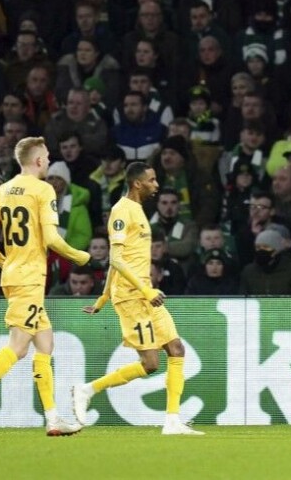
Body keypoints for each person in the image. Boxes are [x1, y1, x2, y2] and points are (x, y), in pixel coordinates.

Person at [0, 136, 91, 438]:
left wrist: (5, 260)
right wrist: (81, 255)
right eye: (48, 157)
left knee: (45, 343)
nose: (50, 161)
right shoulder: (43, 190)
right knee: (17, 346)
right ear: (38, 160)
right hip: (29, 278)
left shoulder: (3, 190)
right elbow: (52, 240)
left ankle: (53, 418)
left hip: (16, 274)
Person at [72, 162, 203, 436]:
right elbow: (116, 259)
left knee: (176, 349)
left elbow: (119, 262)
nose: (157, 184)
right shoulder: (121, 212)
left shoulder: (139, 210)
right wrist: (141, 292)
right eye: (152, 180)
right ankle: (87, 390)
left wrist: (101, 298)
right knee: (151, 364)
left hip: (145, 292)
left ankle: (171, 421)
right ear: (137, 183)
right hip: (134, 297)